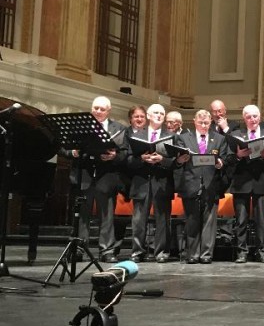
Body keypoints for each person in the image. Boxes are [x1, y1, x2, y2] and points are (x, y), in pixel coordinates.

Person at [59, 96, 127, 262]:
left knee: (107, 215)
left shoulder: (119, 128)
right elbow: (62, 147)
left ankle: (107, 251)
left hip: (106, 177)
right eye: (96, 108)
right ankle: (79, 249)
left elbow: (125, 154)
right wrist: (72, 152)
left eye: (102, 109)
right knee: (82, 215)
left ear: (108, 111)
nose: (98, 111)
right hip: (84, 174)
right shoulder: (80, 126)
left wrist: (113, 156)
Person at [174, 110, 229, 264]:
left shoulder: (219, 139)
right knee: (192, 221)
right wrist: (180, 160)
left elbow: (225, 158)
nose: (204, 125)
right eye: (200, 123)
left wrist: (221, 164)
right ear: (194, 122)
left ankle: (206, 254)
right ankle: (192, 254)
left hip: (211, 185)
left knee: (209, 222)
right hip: (191, 183)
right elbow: (177, 162)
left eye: (206, 123)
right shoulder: (183, 138)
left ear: (211, 122)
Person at [227, 104, 264, 263]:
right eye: (248, 117)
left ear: (259, 117)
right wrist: (238, 156)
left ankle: (261, 252)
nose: (252, 119)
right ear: (244, 118)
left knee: (261, 221)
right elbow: (229, 160)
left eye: (255, 116)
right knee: (241, 220)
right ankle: (242, 252)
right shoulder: (236, 134)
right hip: (241, 182)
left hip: (261, 182)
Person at [126, 103, 176, 263]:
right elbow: (127, 160)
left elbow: (176, 162)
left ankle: (161, 252)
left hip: (162, 182)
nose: (159, 115)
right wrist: (141, 159)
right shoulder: (136, 135)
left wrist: (162, 159)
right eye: (155, 112)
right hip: (141, 182)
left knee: (163, 220)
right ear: (148, 115)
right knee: (139, 220)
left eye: (162, 113)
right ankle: (137, 252)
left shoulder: (171, 136)